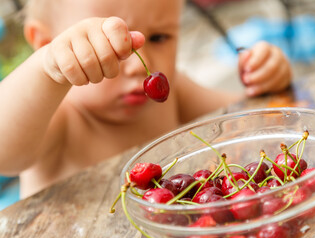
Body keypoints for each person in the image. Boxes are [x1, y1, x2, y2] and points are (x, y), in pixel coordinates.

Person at [0, 0, 292, 198]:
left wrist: (264, 80)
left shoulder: (175, 90)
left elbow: (243, 116)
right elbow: (6, 155)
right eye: (105, 47)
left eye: (159, 38)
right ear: (45, 42)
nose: (141, 65)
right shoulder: (56, 118)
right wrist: (47, 69)